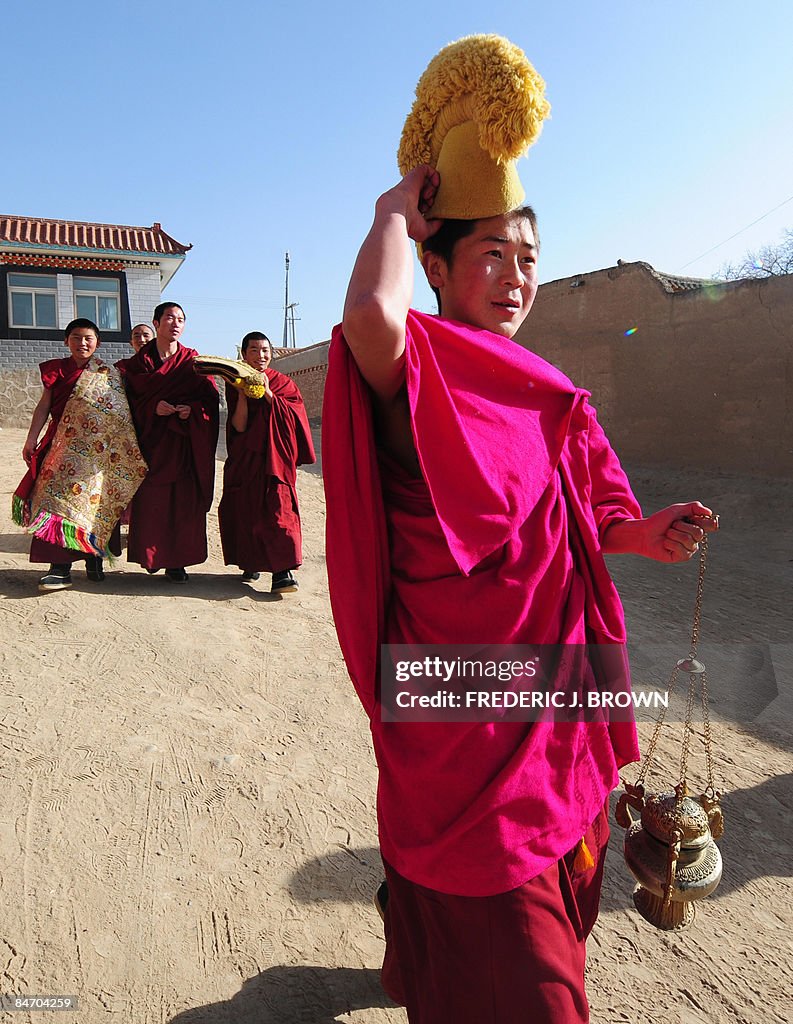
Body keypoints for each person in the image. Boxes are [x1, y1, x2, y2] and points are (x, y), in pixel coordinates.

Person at [322, 35, 718, 1024]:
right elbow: (372, 314)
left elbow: (597, 523)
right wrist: (386, 214)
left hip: (554, 722)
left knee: (537, 925)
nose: (513, 276)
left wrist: (648, 533)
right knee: (526, 980)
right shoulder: (417, 367)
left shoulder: (550, 397)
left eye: (528, 259)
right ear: (439, 267)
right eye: (489, 254)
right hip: (462, 722)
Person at [16, 318, 132, 590]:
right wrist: (31, 438)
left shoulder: (109, 375)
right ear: (66, 341)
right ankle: (59, 567)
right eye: (77, 338)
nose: (83, 343)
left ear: (98, 343)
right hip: (60, 448)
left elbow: (121, 416)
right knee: (54, 504)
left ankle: (94, 557)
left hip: (97, 456)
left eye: (88, 338)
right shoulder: (57, 370)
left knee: (94, 505)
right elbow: (44, 406)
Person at [117, 302, 219, 582]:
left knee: (182, 503)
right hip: (150, 446)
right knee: (152, 502)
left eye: (181, 319)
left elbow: (210, 399)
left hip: (183, 446)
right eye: (169, 318)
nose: (175, 323)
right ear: (156, 322)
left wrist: (192, 411)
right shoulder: (139, 364)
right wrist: (151, 408)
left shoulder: (193, 362)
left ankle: (177, 562)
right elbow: (124, 405)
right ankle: (152, 557)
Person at [217, 331, 316, 592]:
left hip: (276, 461)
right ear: (244, 355)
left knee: (280, 514)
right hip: (248, 460)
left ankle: (282, 573)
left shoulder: (284, 384)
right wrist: (241, 394)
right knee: (246, 510)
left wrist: (269, 394)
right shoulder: (235, 382)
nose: (260, 356)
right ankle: (251, 561)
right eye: (254, 350)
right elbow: (238, 425)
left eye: (264, 350)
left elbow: (294, 420)